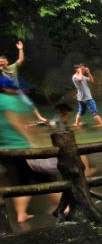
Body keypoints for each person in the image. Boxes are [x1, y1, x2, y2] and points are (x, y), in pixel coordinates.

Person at [0, 77, 59, 226]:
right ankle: (62, 208)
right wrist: (34, 141)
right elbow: (19, 122)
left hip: (4, 150)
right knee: (47, 179)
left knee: (18, 183)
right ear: (7, 88)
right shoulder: (12, 100)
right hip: (21, 148)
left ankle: (21, 215)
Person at [0, 41, 47, 124]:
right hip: (8, 92)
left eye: (3, 61)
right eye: (0, 62)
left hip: (17, 90)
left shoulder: (13, 67)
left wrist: (20, 49)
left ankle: (40, 118)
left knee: (28, 103)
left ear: (7, 62)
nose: (2, 63)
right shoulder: (0, 70)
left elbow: (21, 59)